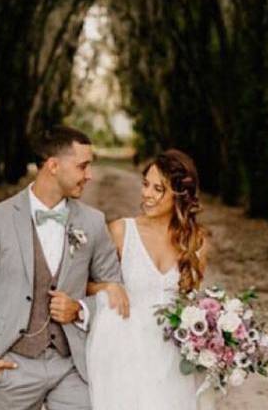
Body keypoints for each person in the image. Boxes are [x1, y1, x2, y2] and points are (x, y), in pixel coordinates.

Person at [0, 126, 127, 410]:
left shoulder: (93, 222)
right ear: (53, 165)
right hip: (13, 366)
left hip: (72, 366)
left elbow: (116, 290)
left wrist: (80, 309)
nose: (89, 176)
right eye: (82, 166)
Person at [86, 149, 211, 410]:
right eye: (145, 185)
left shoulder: (196, 241)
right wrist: (109, 286)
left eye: (158, 189)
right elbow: (85, 284)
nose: (147, 194)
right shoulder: (121, 232)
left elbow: (191, 302)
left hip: (172, 359)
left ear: (179, 194)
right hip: (124, 352)